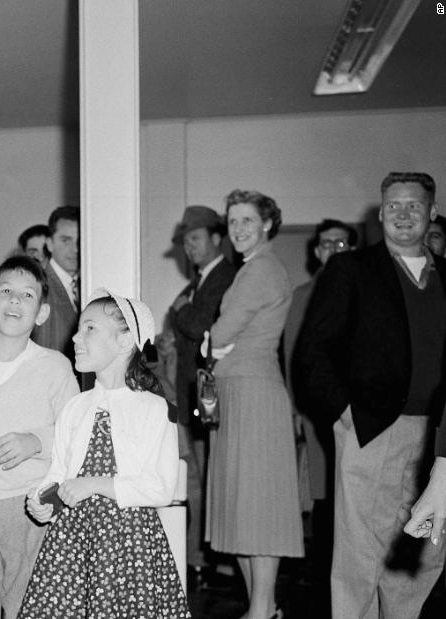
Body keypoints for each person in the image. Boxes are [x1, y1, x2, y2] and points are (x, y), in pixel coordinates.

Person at [295, 172, 446, 619]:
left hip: (437, 439)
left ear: (432, 213)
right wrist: (343, 412)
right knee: (360, 557)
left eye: (413, 206)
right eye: (393, 206)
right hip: (371, 428)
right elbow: (313, 351)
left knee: (423, 552)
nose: (402, 214)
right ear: (380, 213)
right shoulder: (351, 270)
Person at [19, 291, 187, 618]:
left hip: (130, 546)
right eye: (79, 329)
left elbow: (161, 488)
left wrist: (95, 484)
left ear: (125, 342)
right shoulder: (75, 408)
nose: (76, 338)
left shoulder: (154, 409)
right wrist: (43, 501)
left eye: (90, 329)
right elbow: (60, 474)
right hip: (73, 544)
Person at [0, 256, 79, 618]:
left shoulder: (55, 366)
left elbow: (77, 436)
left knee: (31, 605)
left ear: (41, 313)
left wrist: (35, 441)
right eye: (6, 291)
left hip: (32, 509)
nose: (14, 300)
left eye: (27, 295)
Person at [204, 189, 302, 619]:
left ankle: (262, 610)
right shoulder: (252, 269)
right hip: (239, 393)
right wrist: (214, 345)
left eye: (247, 220)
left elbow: (221, 334)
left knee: (258, 508)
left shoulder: (261, 269)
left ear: (266, 224)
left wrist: (213, 342)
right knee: (242, 508)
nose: (238, 229)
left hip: (254, 396)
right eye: (232, 222)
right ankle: (263, 607)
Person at [166, 205, 236, 585]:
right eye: (185, 240)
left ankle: (216, 561)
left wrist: (181, 311)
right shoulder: (199, 282)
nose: (188, 247)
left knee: (211, 479)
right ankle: (198, 559)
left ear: (215, 237)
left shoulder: (227, 277)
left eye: (194, 238)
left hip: (213, 399)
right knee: (195, 479)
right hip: (192, 398)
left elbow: (211, 329)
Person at [283, 218, 357, 571]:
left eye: (340, 243)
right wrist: (295, 410)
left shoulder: (367, 290)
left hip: (362, 408)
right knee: (325, 491)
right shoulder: (301, 296)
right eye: (326, 244)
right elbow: (293, 357)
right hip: (316, 410)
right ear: (316, 251)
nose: (333, 250)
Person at [31, 206, 80, 362]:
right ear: (49, 243)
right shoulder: (37, 286)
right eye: (66, 240)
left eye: (80, 240)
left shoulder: (91, 284)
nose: (75, 249)